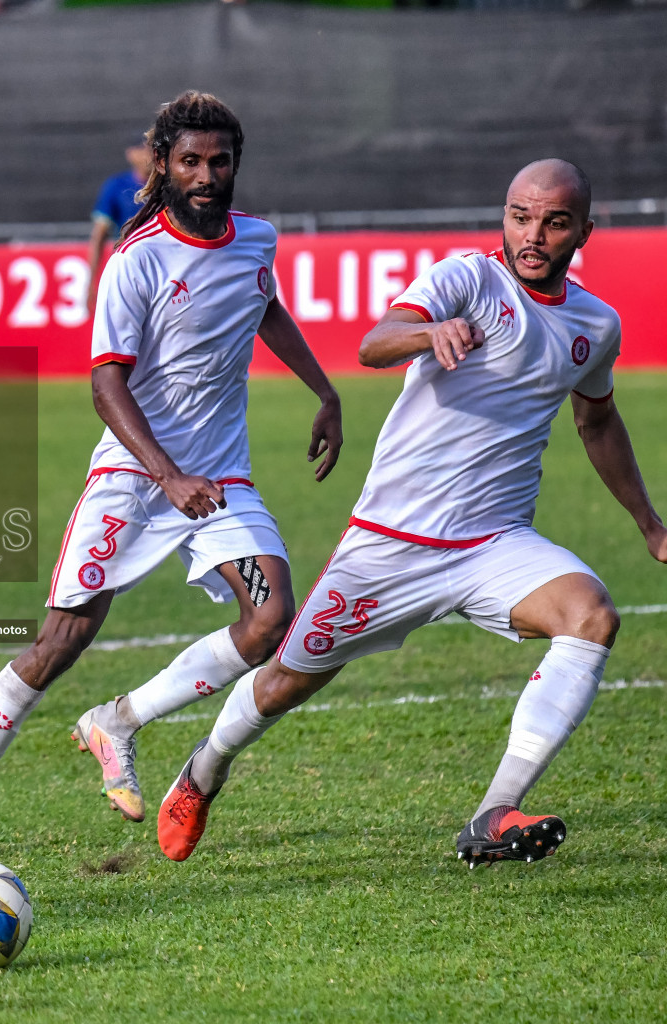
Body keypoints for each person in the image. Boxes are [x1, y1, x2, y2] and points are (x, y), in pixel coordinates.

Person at [154, 158, 663, 869]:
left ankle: (493, 814)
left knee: (592, 617)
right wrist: (433, 333)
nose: (533, 234)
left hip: (494, 543)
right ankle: (203, 770)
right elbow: (372, 343)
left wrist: (649, 524)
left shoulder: (593, 325)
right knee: (282, 684)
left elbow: (598, 423)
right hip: (390, 546)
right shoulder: (468, 280)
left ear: (584, 229)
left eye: (553, 222)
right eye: (520, 216)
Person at [0, 92, 343, 860]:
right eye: (190, 161)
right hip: (133, 474)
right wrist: (168, 475)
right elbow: (105, 384)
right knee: (60, 642)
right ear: (163, 166)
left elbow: (265, 307)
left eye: (219, 161)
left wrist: (325, 390)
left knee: (270, 619)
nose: (206, 175)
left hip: (218, 478)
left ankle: (118, 720)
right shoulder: (137, 258)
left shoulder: (257, 241)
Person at [85, 134, 155, 317]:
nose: (147, 155)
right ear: (130, 154)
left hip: (164, 265)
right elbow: (99, 234)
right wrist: (92, 280)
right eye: (142, 149)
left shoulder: (168, 186)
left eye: (150, 149)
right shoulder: (117, 186)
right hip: (130, 267)